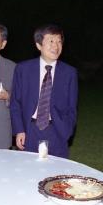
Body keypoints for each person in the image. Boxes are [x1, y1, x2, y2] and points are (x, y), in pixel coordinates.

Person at [10, 24, 78, 158]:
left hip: (57, 130)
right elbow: (15, 103)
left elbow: (72, 108)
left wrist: (66, 131)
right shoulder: (23, 69)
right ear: (39, 45)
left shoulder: (69, 73)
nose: (56, 46)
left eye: (59, 41)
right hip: (30, 130)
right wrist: (19, 130)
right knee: (28, 172)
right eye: (51, 41)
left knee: (56, 175)